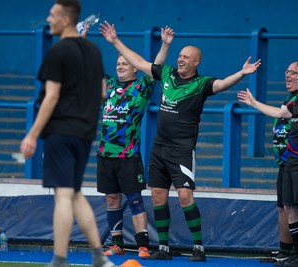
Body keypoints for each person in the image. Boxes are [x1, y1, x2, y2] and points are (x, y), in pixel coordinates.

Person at [99, 20, 261, 262]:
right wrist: (115, 42)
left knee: (185, 195)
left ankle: (198, 247)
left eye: (187, 57)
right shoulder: (166, 74)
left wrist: (241, 73)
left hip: (182, 149)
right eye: (180, 55)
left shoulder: (201, 84)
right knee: (157, 197)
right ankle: (163, 248)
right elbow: (139, 62)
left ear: (197, 62)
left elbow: (222, 84)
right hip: (159, 148)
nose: (181, 59)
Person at [19, 1, 115, 267]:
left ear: (65, 20)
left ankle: (59, 260)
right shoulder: (94, 51)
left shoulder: (58, 52)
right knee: (73, 192)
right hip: (85, 133)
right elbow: (102, 93)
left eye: (52, 15)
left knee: (63, 194)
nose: (48, 19)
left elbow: (51, 97)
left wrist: (32, 135)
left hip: (61, 131)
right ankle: (99, 256)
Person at [238, 56, 298, 267]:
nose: (297, 77)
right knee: (289, 206)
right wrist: (253, 103)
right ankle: (296, 253)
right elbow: (278, 112)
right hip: (291, 161)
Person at [94, 26, 174, 258]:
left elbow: (155, 68)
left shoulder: (141, 87)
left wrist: (165, 45)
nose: (120, 67)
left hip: (128, 155)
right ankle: (116, 243)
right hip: (105, 155)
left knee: (135, 199)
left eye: (125, 64)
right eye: (118, 64)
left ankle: (142, 245)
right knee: (112, 198)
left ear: (134, 68)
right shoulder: (108, 85)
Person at [269, 62, 298, 266]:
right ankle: (285, 251)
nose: (287, 76)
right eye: (286, 72)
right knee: (282, 206)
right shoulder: (289, 98)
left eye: (293, 72)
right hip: (283, 163)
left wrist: (253, 102)